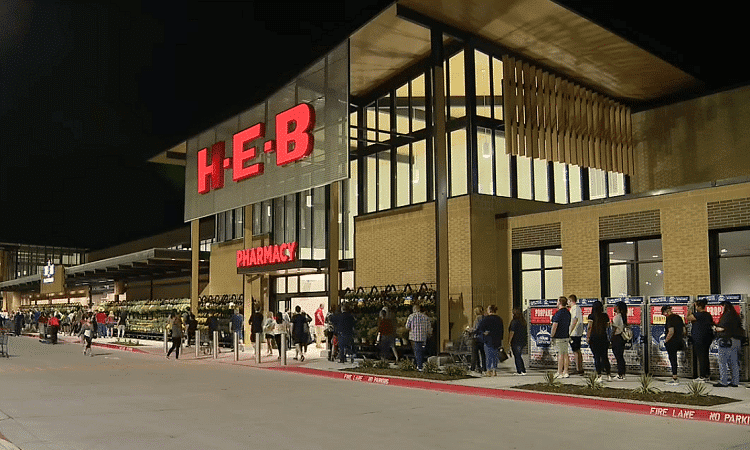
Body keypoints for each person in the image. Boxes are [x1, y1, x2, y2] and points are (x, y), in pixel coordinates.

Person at [714, 301, 743, 388]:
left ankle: (724, 381)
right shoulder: (736, 315)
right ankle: (735, 382)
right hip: (736, 340)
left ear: (725, 306)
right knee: (734, 362)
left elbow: (721, 328)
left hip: (727, 341)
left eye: (722, 306)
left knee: (722, 362)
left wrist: (715, 328)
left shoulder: (727, 315)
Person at [685, 299, 713, 382]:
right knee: (705, 356)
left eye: (696, 306)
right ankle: (707, 375)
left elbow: (688, 318)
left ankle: (702, 376)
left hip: (699, 338)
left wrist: (690, 309)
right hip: (707, 338)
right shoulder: (708, 315)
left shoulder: (698, 315)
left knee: (701, 357)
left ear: (699, 306)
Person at [586, 300, 611, 382]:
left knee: (596, 357)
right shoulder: (605, 316)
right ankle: (608, 375)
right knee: (605, 357)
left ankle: (599, 375)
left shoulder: (591, 316)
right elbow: (607, 326)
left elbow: (589, 327)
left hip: (594, 338)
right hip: (603, 338)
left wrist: (587, 337)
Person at [476, 304, 504, 377]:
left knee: (488, 355)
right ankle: (494, 370)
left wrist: (483, 333)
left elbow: (480, 329)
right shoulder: (499, 319)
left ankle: (488, 370)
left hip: (488, 339)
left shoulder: (486, 319)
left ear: (490, 310)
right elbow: (501, 330)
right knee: (495, 355)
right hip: (497, 339)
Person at [662, 304, 684, 386]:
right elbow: (684, 330)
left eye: (663, 313)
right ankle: (675, 376)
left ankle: (674, 377)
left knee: (672, 358)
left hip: (671, 342)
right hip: (679, 340)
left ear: (666, 311)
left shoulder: (669, 319)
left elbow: (671, 331)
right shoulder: (678, 317)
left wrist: (666, 340)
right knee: (674, 358)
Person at [405, 303, 431, 371]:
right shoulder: (425, 317)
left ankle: (419, 366)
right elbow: (429, 328)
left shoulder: (411, 316)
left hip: (414, 337)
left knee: (417, 351)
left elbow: (407, 327)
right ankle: (421, 364)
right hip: (423, 337)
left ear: (414, 309)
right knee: (422, 351)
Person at [550, 296, 571, 378]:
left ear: (560, 303)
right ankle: (566, 371)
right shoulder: (568, 313)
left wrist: (552, 336)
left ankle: (559, 372)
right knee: (565, 354)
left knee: (560, 355)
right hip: (566, 336)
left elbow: (555, 326)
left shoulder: (558, 314)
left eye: (557, 301)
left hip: (559, 337)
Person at [610, 301, 628, 380]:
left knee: (618, 356)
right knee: (620, 356)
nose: (614, 307)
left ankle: (620, 374)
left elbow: (614, 329)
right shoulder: (623, 317)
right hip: (621, 338)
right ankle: (622, 373)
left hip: (617, 337)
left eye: (615, 306)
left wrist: (610, 338)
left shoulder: (617, 317)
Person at [568, 294, 584, 375]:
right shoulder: (578, 308)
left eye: (568, 301)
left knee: (576, 351)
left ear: (571, 301)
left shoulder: (574, 309)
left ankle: (578, 368)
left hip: (575, 332)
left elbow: (574, 319)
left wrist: (570, 331)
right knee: (578, 350)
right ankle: (580, 367)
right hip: (578, 332)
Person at [507, 307, 527, 375]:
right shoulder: (523, 321)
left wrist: (509, 342)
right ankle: (523, 369)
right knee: (519, 355)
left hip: (516, 341)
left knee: (517, 356)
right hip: (522, 340)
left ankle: (520, 370)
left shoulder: (514, 322)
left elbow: (512, 332)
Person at [469, 306, 486, 375]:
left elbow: (476, 328)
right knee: (482, 353)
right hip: (483, 338)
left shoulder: (478, 318)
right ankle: (484, 367)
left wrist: (470, 330)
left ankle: (474, 367)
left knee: (474, 353)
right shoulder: (485, 318)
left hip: (476, 337)